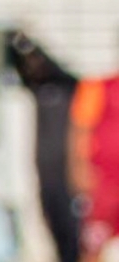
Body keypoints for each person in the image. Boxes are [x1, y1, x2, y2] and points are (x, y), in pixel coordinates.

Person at [5, 30, 80, 262]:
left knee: (73, 233)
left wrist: (28, 45)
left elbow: (52, 66)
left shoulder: (70, 88)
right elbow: (18, 64)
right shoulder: (37, 90)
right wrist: (12, 41)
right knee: (51, 224)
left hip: (68, 175)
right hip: (46, 174)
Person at [69, 66, 119, 262]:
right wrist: (78, 168)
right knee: (93, 245)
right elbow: (80, 129)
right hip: (103, 184)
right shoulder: (99, 87)